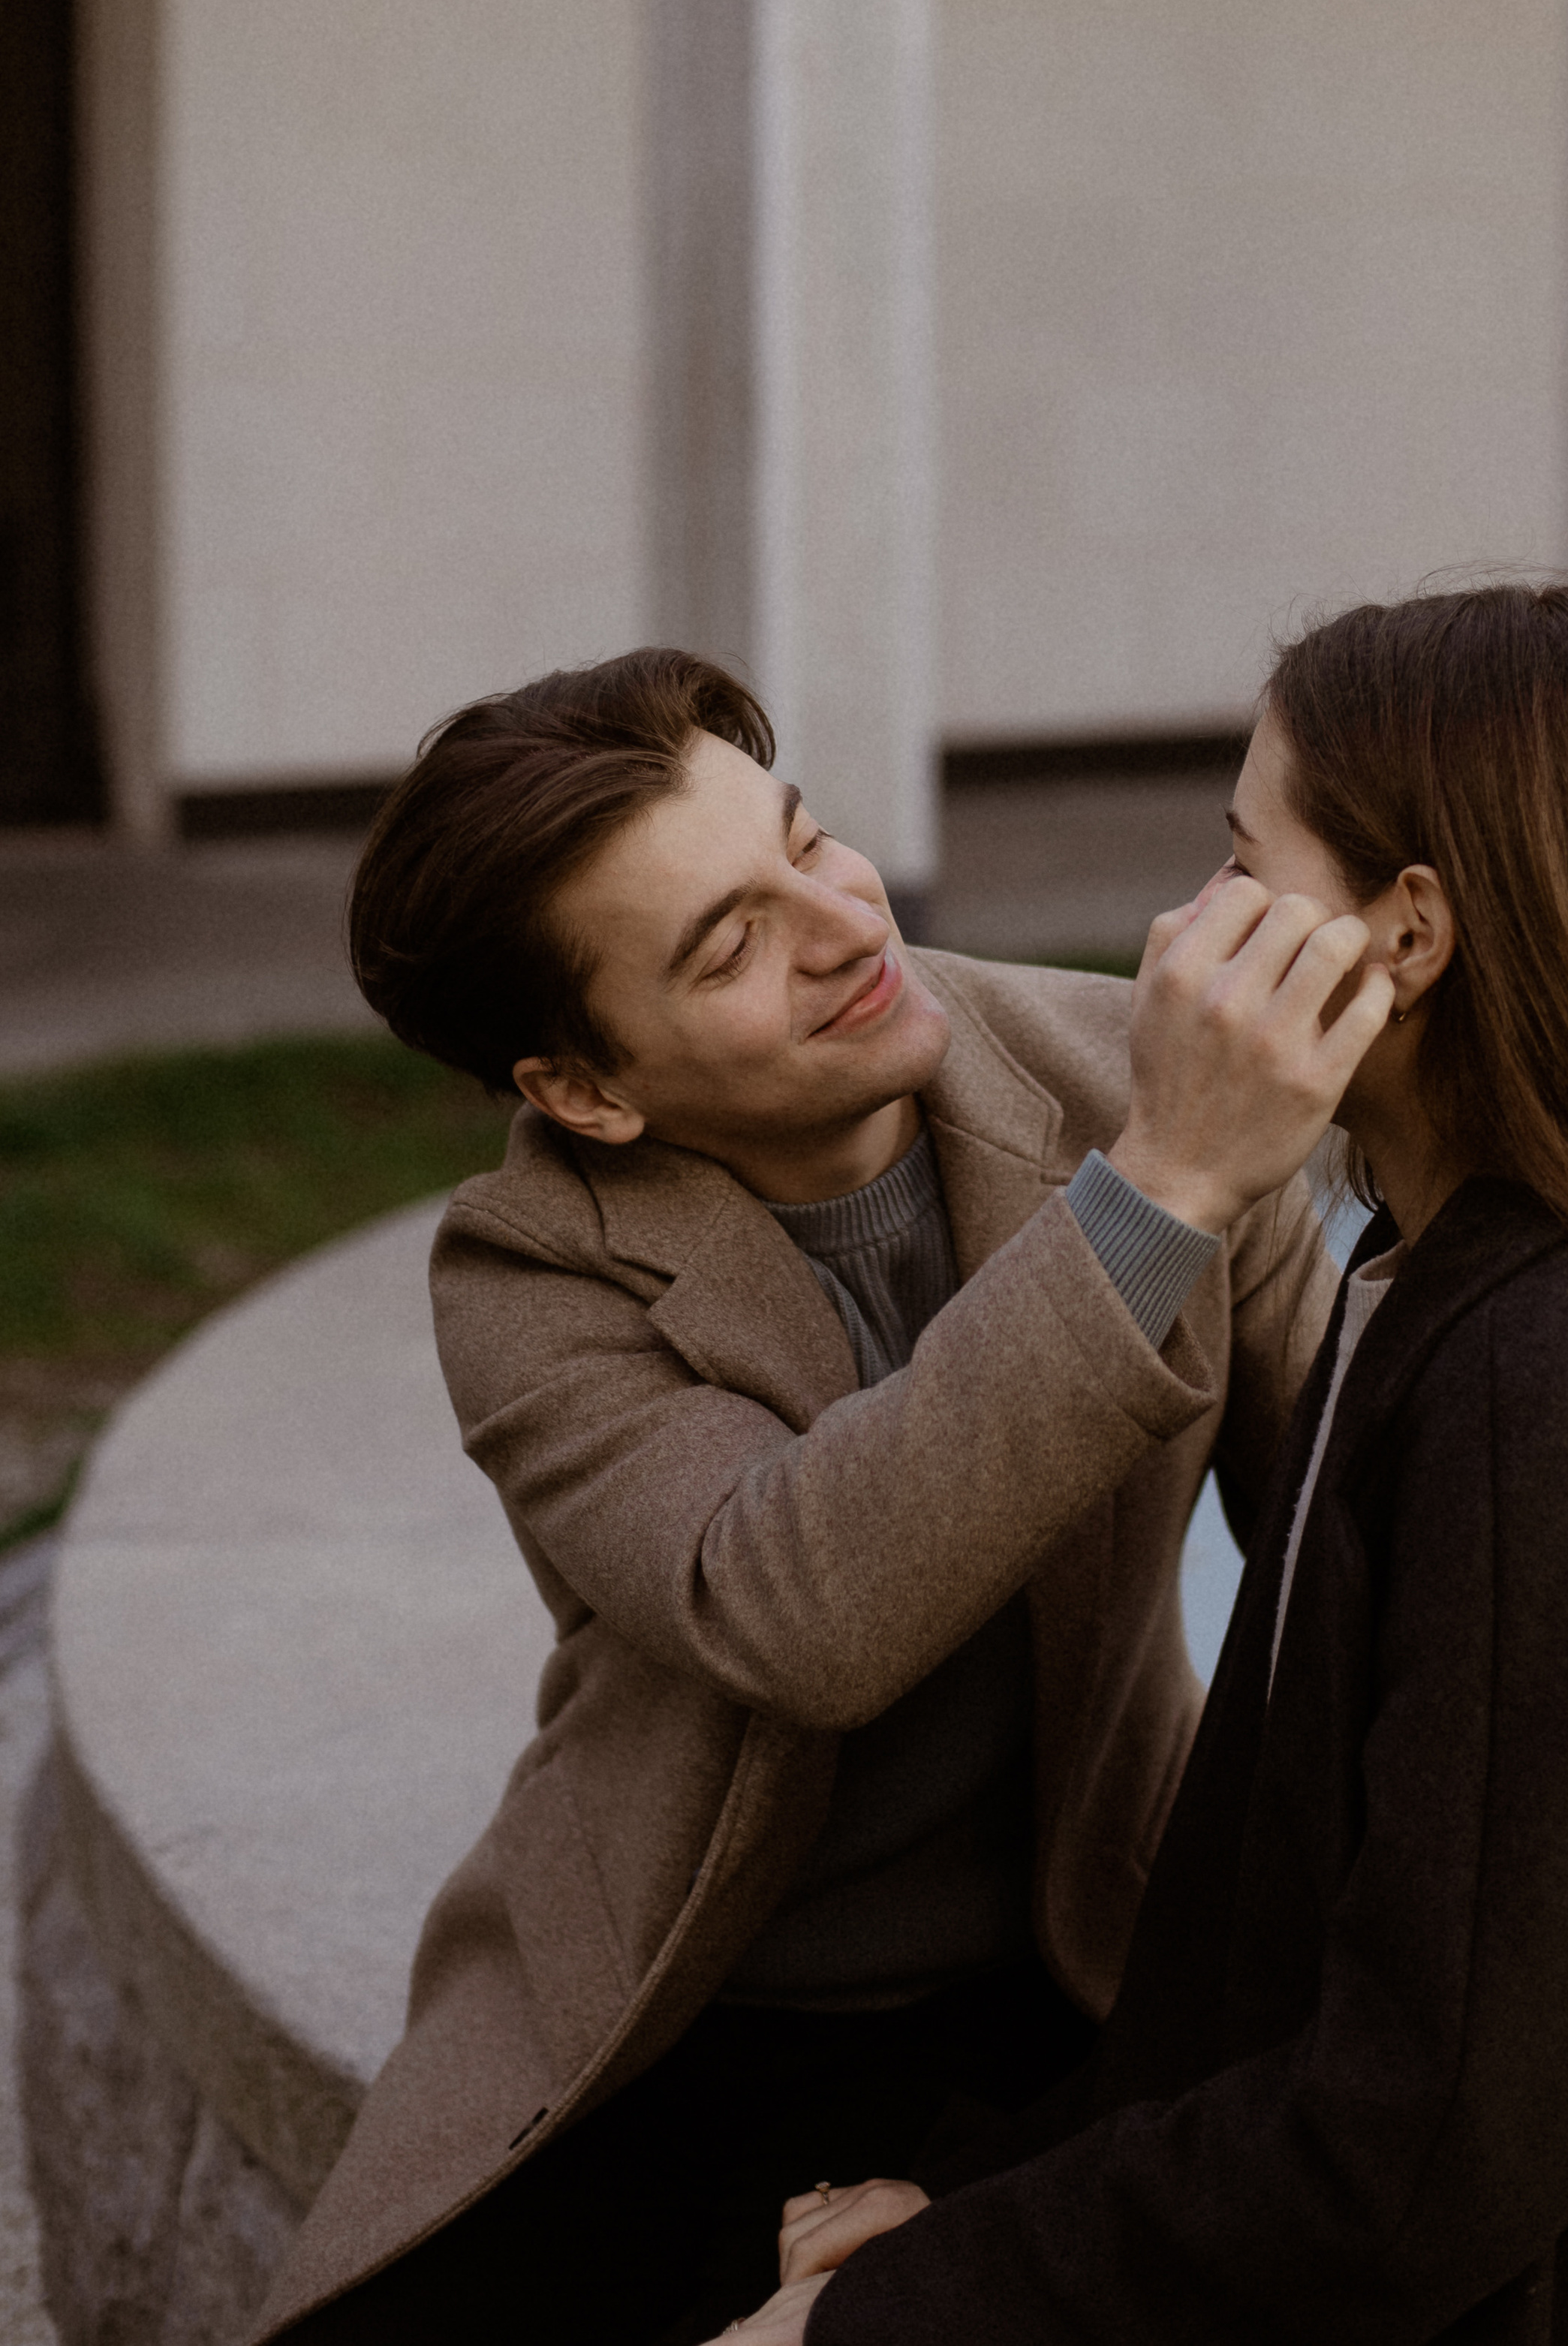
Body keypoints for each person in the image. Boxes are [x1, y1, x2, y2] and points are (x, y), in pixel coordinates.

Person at [745, 584, 1568, 2344]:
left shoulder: (1565, 1397)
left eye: (1239, 866)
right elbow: (1295, 1967)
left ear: (1406, 936)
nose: (1182, 925)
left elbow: (1412, 2161)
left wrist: (904, 2312)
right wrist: (980, 2211)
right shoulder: (1439, 1283)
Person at [249, 646, 1391, 2344]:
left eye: (806, 840)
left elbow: (1353, 1538)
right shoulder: (532, 1270)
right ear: (585, 1091)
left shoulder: (1115, 1077)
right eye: (729, 945)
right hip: (681, 1989)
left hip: (1065, 1959)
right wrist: (1157, 1195)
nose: (848, 924)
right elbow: (796, 1610)